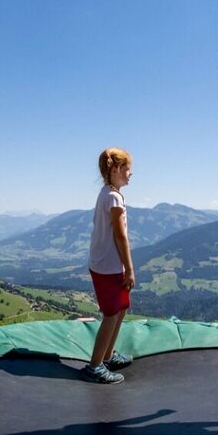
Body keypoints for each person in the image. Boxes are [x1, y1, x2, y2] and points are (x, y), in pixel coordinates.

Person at [81, 147, 135, 384]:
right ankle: (95, 365)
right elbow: (120, 236)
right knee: (111, 314)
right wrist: (129, 268)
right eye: (126, 168)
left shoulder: (107, 192)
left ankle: (108, 355)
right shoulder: (113, 197)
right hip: (109, 265)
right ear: (114, 169)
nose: (130, 173)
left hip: (104, 262)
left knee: (122, 307)